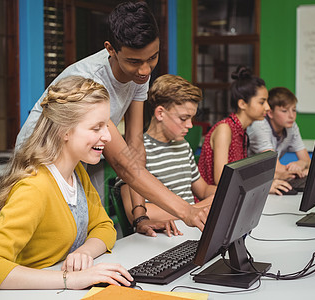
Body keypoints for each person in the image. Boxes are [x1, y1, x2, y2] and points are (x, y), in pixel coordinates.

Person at [16, 1, 208, 236]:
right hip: (40, 160)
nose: (145, 70)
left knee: (92, 231)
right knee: (53, 238)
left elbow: (134, 146)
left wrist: (140, 217)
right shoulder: (89, 81)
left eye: (153, 58)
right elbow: (122, 164)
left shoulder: (139, 74)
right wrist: (186, 211)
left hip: (83, 154)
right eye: (134, 61)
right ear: (111, 49)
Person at [0, 76, 134, 291]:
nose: (108, 136)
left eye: (106, 126)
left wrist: (84, 251)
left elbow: (104, 227)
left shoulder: (76, 172)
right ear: (64, 131)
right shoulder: (34, 188)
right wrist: (72, 280)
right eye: (96, 128)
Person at [117, 74, 216, 225]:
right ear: (160, 113)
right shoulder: (135, 152)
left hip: (191, 226)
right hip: (162, 234)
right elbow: (136, 214)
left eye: (191, 118)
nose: (190, 125)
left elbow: (203, 190)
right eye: (184, 118)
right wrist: (193, 210)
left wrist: (224, 193)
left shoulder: (183, 146)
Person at [198, 66, 291, 194]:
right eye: (262, 102)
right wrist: (263, 187)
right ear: (242, 104)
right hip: (211, 202)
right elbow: (221, 180)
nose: (268, 107)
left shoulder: (242, 131)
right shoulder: (225, 129)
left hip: (231, 197)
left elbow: (239, 176)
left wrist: (274, 178)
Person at [247, 87, 310, 182]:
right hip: (251, 181)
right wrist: (301, 169)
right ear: (270, 113)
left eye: (294, 110)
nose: (291, 116)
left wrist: (301, 164)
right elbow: (276, 168)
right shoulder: (259, 125)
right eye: (284, 111)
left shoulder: (291, 125)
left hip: (268, 179)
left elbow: (307, 161)